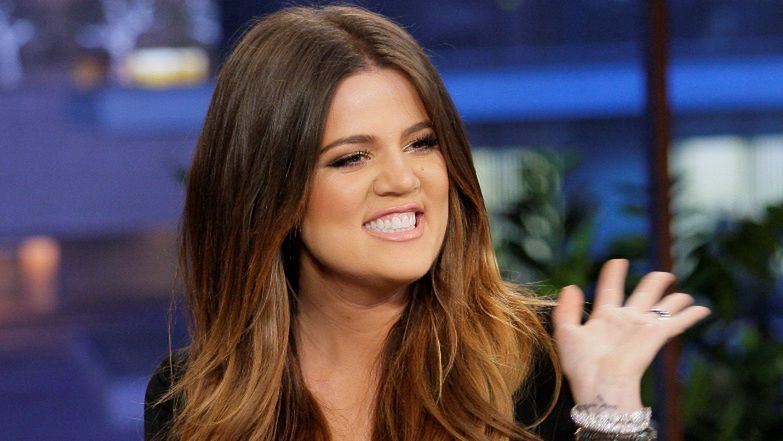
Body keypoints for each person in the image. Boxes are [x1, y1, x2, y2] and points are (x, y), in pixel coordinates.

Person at [144, 5, 710, 441]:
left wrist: (610, 413)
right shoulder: (197, 397)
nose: (402, 179)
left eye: (421, 144)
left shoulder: (545, 359)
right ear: (270, 194)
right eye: (351, 157)